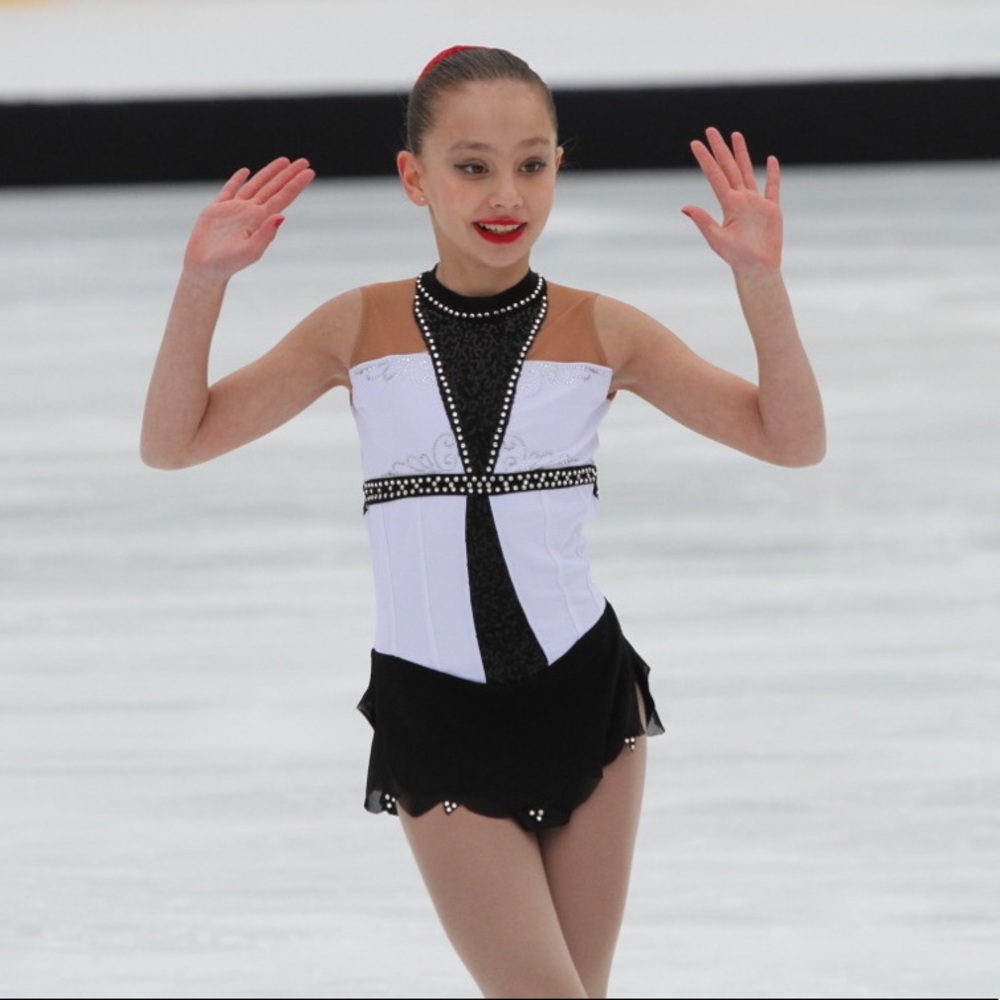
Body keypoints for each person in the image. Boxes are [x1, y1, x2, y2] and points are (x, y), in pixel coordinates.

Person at [141, 45, 825, 1000]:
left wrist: (759, 281)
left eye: (533, 163)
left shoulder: (603, 332)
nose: (507, 193)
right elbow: (175, 442)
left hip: (589, 702)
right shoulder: (356, 329)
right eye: (472, 166)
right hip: (440, 717)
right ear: (414, 177)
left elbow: (790, 441)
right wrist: (203, 283)